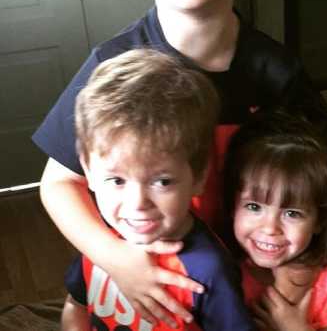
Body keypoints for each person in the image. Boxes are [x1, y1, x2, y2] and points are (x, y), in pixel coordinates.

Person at [32, 0, 327, 326]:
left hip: (245, 293)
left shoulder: (278, 74)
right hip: (149, 279)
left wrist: (296, 274)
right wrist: (117, 259)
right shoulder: (110, 69)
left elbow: (321, 183)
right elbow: (58, 185)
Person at [61, 49, 257, 331]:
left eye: (162, 182)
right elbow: (75, 306)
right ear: (88, 173)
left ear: (199, 177)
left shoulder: (208, 270)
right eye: (117, 181)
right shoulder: (99, 241)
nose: (138, 203)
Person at [223, 111, 327, 331]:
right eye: (254, 207)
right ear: (232, 207)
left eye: (292, 213)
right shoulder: (221, 273)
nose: (270, 228)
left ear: (319, 221)